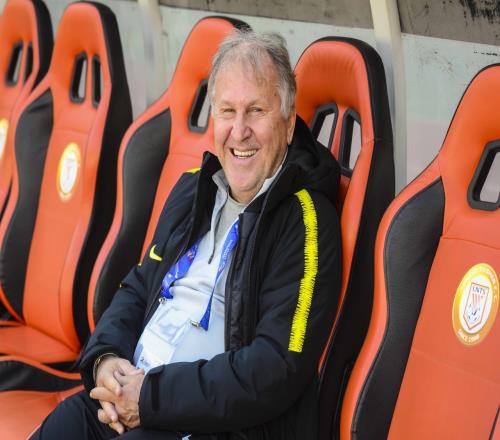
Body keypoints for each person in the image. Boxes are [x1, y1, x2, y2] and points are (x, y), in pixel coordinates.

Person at [32, 29, 341, 440]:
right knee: (65, 424)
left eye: (256, 111)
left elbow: (277, 366)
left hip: (218, 425)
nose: (239, 131)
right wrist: (106, 361)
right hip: (135, 398)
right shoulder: (194, 188)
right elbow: (140, 286)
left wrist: (149, 398)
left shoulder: (305, 220)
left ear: (287, 124)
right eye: (227, 111)